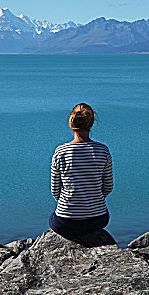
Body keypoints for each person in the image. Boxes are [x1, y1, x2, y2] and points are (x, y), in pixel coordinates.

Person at [49, 103, 113, 245]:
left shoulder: (61, 152)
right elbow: (108, 187)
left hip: (66, 222)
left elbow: (55, 191)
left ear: (71, 124)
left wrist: (72, 206)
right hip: (97, 219)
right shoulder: (103, 151)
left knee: (52, 219)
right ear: (91, 123)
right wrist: (92, 201)